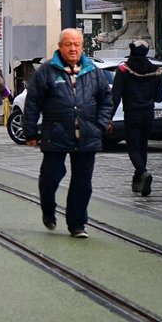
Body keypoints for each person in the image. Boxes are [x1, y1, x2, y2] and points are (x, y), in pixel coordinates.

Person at [24, 28, 112, 238]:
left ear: (82, 47)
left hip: (87, 136)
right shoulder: (46, 71)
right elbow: (33, 102)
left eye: (77, 45)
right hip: (56, 133)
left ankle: (77, 224)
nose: (73, 49)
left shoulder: (93, 71)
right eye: (68, 44)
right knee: (51, 177)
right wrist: (30, 132)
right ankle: (48, 208)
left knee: (83, 183)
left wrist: (99, 126)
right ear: (60, 46)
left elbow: (106, 101)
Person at [111, 40, 162, 196]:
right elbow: (159, 97)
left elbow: (115, 97)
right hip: (148, 114)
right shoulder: (155, 70)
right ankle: (137, 180)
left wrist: (109, 117)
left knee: (133, 148)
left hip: (132, 114)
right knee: (143, 146)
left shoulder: (123, 70)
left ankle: (142, 172)